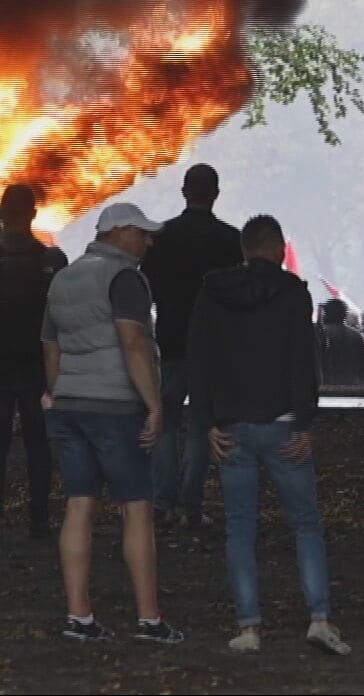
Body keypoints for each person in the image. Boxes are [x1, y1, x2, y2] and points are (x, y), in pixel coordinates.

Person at [188, 214, 351, 656]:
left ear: (243, 249)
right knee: (305, 524)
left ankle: (248, 626)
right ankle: (318, 617)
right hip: (282, 423)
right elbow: (301, 359)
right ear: (279, 250)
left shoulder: (212, 293)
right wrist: (304, 421)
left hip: (233, 425)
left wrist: (206, 422)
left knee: (239, 527)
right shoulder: (292, 293)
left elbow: (199, 358)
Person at [41, 201, 184, 645]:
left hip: (69, 406)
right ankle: (148, 618)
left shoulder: (64, 277)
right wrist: (154, 404)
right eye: (141, 232)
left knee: (79, 504)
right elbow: (133, 340)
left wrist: (58, 390)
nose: (148, 240)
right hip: (115, 408)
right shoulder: (124, 278)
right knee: (136, 507)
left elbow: (50, 346)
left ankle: (78, 617)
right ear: (118, 231)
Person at [0, 182, 67, 539]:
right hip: (36, 362)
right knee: (38, 443)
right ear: (34, 214)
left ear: (1, 215)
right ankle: (40, 519)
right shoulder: (51, 259)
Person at [139, 164, 240, 532]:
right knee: (201, 425)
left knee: (164, 420)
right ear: (215, 193)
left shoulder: (162, 238)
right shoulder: (231, 240)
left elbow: (146, 285)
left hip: (171, 340)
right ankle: (189, 504)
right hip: (212, 346)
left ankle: (162, 500)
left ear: (184, 192)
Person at [313, 300, 364, 388]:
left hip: (325, 386)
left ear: (326, 313)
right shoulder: (356, 335)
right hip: (352, 384)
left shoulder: (319, 333)